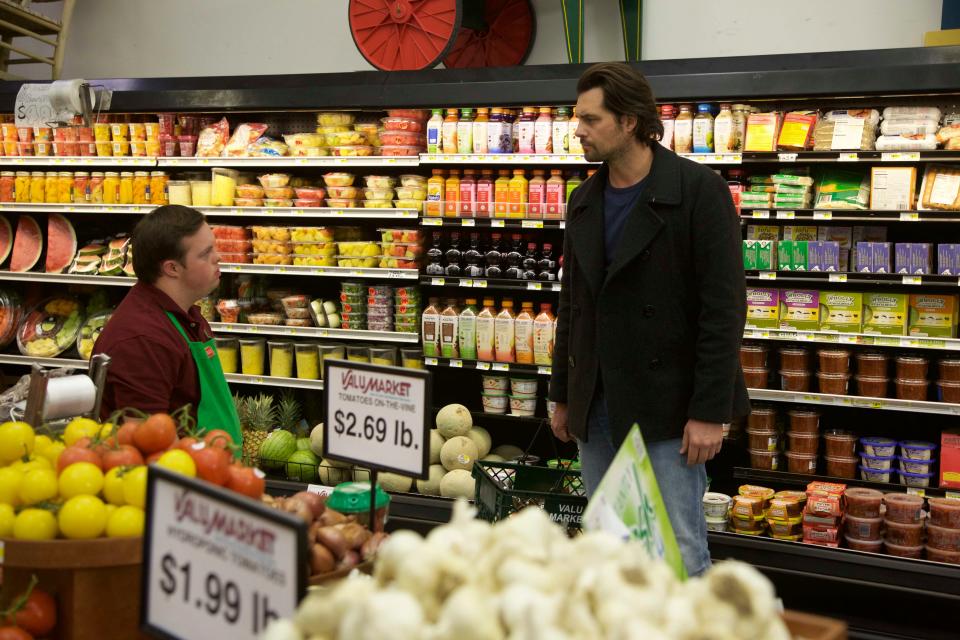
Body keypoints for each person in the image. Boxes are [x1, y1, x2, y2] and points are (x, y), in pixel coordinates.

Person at [549, 62, 749, 577]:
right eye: (578, 118)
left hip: (669, 407)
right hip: (596, 405)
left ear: (631, 122)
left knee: (679, 549)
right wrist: (562, 394)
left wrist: (710, 410)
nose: (579, 130)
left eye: (591, 120)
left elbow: (723, 311)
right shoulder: (585, 200)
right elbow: (573, 304)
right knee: (608, 547)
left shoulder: (698, 191)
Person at [93, 204, 241, 444]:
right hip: (182, 476)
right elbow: (148, 443)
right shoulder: (142, 341)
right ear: (172, 268)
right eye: (205, 253)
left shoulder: (185, 314)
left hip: (210, 471)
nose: (218, 257)